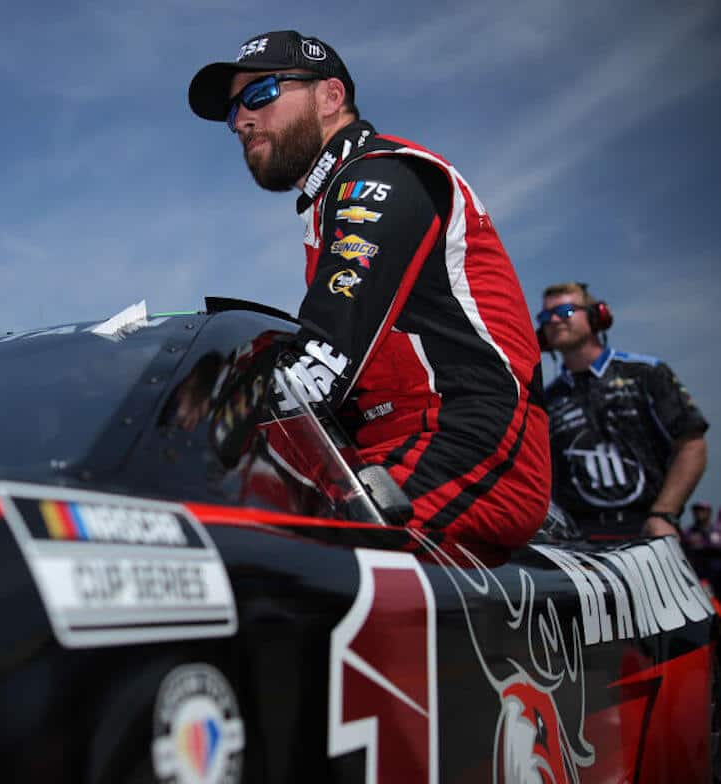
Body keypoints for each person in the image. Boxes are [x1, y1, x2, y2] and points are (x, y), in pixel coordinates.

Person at [187, 31, 550, 547]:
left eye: (261, 93)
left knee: (269, 557)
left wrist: (188, 424)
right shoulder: (333, 201)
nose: (242, 119)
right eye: (232, 113)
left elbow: (317, 366)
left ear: (330, 97)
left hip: (469, 440)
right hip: (377, 452)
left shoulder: (383, 175)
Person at [538, 282, 708, 539]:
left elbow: (692, 445)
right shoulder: (547, 399)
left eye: (565, 311)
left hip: (648, 530)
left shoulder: (646, 373)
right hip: (579, 542)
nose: (554, 320)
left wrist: (663, 514)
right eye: (545, 316)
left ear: (597, 316)